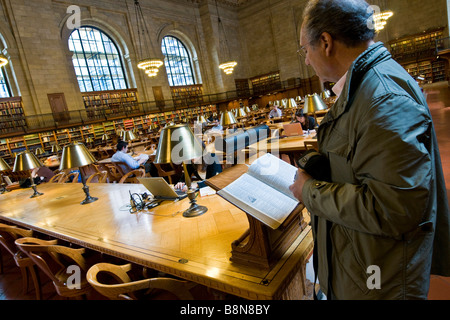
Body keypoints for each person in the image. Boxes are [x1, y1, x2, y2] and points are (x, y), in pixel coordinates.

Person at [289, 0, 450, 300]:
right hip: (365, 263)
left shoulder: (382, 98)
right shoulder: (362, 87)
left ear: (325, 42)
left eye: (304, 50)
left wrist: (309, 191)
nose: (307, 61)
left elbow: (393, 208)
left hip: (379, 280)